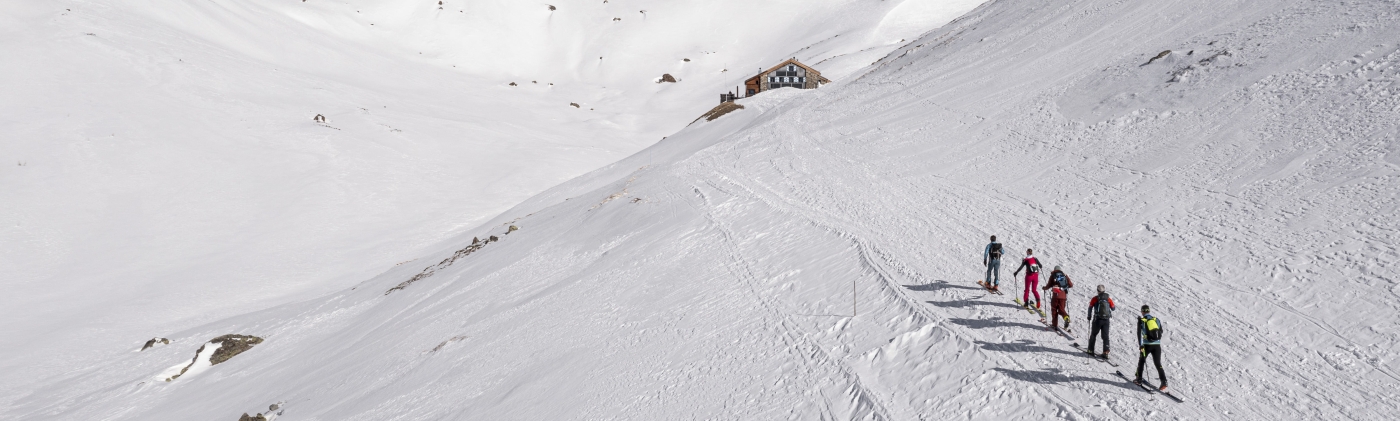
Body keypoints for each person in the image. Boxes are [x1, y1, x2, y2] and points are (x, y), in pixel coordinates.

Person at [1136, 305, 1168, 392]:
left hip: (1146, 345)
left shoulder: (1141, 320)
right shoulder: (1156, 319)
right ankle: (1164, 381)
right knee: (1158, 363)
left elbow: (1139, 334)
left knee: (1142, 361)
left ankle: (1139, 379)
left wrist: (1141, 345)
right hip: (1157, 345)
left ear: (1142, 311)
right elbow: (1160, 331)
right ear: (1149, 311)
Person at [1086, 285, 1115, 358]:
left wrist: (1089, 316)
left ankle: (1090, 350)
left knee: (1093, 334)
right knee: (1105, 336)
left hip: (1097, 320)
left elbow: (1090, 308)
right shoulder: (1108, 299)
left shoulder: (1095, 299)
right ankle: (1106, 352)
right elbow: (1113, 308)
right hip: (1106, 320)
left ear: (1098, 290)